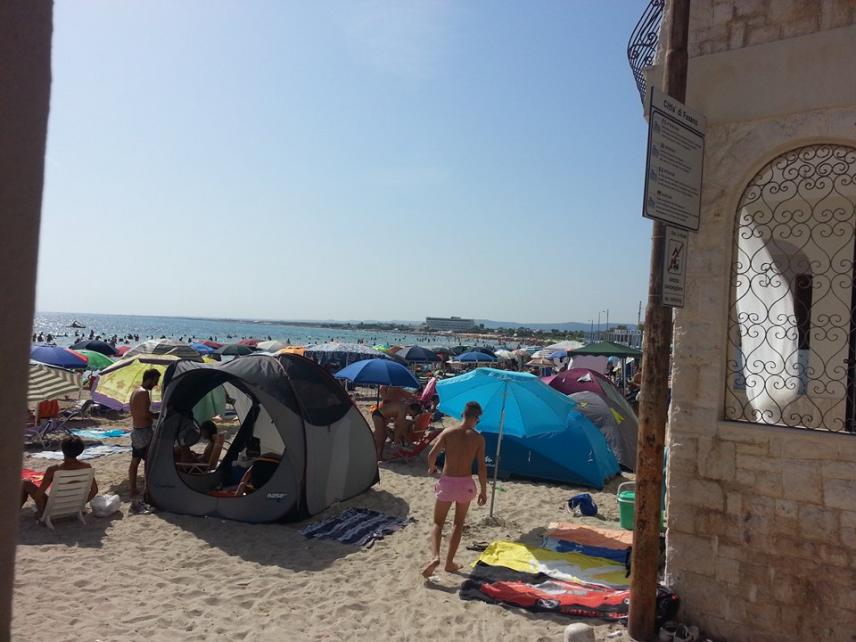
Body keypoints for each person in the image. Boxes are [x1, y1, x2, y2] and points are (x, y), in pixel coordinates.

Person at [422, 401, 487, 577]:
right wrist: (483, 490)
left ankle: (435, 557)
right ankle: (449, 563)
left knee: (438, 523)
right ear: (476, 418)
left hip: (447, 483)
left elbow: (431, 455)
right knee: (458, 524)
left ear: (463, 415)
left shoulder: (448, 432)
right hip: (465, 484)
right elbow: (481, 466)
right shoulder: (478, 438)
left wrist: (432, 468)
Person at [21, 435, 98, 514]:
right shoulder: (87, 467)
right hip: (74, 505)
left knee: (26, 483)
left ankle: (14, 511)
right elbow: (94, 491)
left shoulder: (54, 469)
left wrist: (40, 511)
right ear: (80, 450)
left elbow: (38, 496)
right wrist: (80, 505)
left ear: (62, 449)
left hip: (54, 507)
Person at [128, 368, 160, 510]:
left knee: (135, 461)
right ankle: (148, 489)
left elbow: (139, 412)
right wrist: (156, 416)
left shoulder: (136, 391)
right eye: (155, 381)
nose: (155, 384)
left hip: (137, 430)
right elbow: (145, 414)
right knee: (149, 461)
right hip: (143, 431)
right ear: (150, 378)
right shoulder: (143, 393)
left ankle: (133, 488)